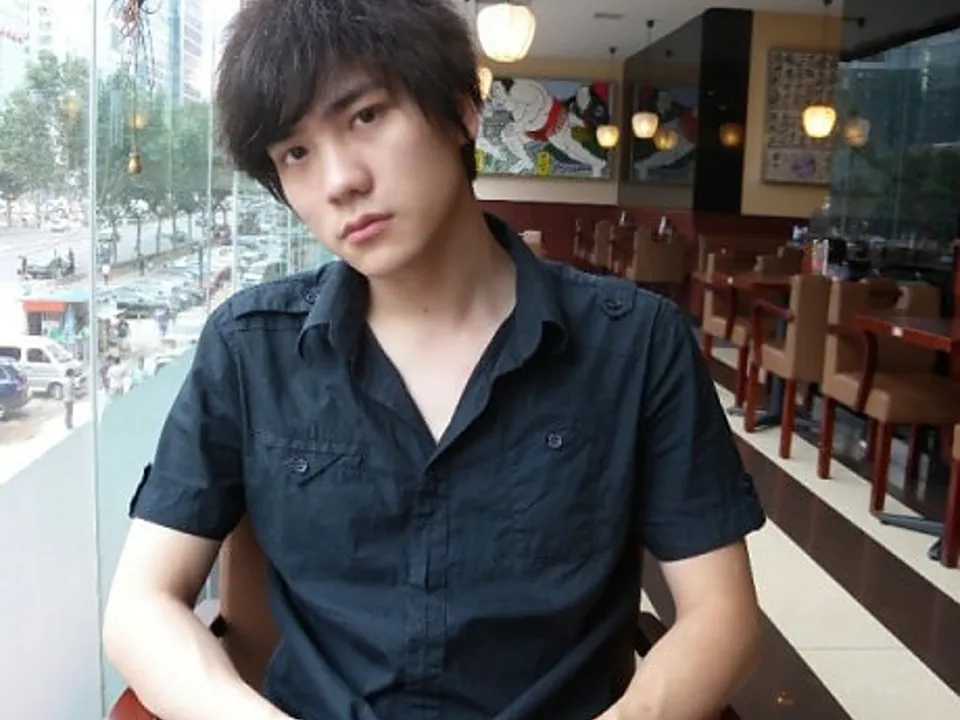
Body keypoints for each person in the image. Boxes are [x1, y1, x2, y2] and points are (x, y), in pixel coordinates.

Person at [103, 1, 766, 719]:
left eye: (365, 116)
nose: (339, 180)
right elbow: (140, 605)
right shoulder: (249, 347)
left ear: (460, 110)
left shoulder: (636, 345)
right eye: (295, 153)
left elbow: (721, 615)